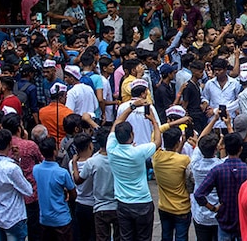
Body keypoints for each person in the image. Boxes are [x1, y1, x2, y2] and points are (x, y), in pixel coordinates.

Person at [107, 97, 161, 241]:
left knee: (126, 237)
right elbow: (157, 142)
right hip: (142, 202)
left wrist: (131, 107)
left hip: (123, 203)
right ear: (132, 135)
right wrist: (154, 121)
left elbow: (116, 123)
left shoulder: (111, 149)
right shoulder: (138, 152)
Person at [0, 129, 34, 241]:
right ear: (10, 144)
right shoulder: (11, 168)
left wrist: (16, 160)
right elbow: (28, 190)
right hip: (14, 217)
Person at [74, 127, 118, 241]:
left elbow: (78, 180)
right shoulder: (119, 157)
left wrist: (74, 163)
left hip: (100, 207)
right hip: (117, 204)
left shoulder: (92, 161)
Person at [152, 127, 192, 241]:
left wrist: (169, 124)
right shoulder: (184, 160)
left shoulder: (156, 157)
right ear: (177, 142)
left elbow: (156, 131)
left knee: (166, 236)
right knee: (181, 237)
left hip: (164, 206)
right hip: (181, 207)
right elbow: (177, 159)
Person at [33, 137, 76, 240]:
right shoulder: (62, 173)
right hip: (61, 218)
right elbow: (73, 193)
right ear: (54, 151)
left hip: (44, 218)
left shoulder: (36, 169)